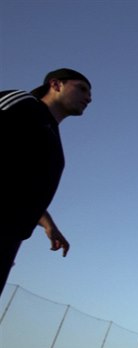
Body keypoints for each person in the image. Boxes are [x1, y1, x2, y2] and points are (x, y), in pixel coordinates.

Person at [0, 68, 92, 297]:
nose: (88, 98)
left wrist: (47, 223)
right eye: (81, 88)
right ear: (56, 84)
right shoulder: (23, 103)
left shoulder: (52, 137)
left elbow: (20, 186)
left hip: (10, 236)